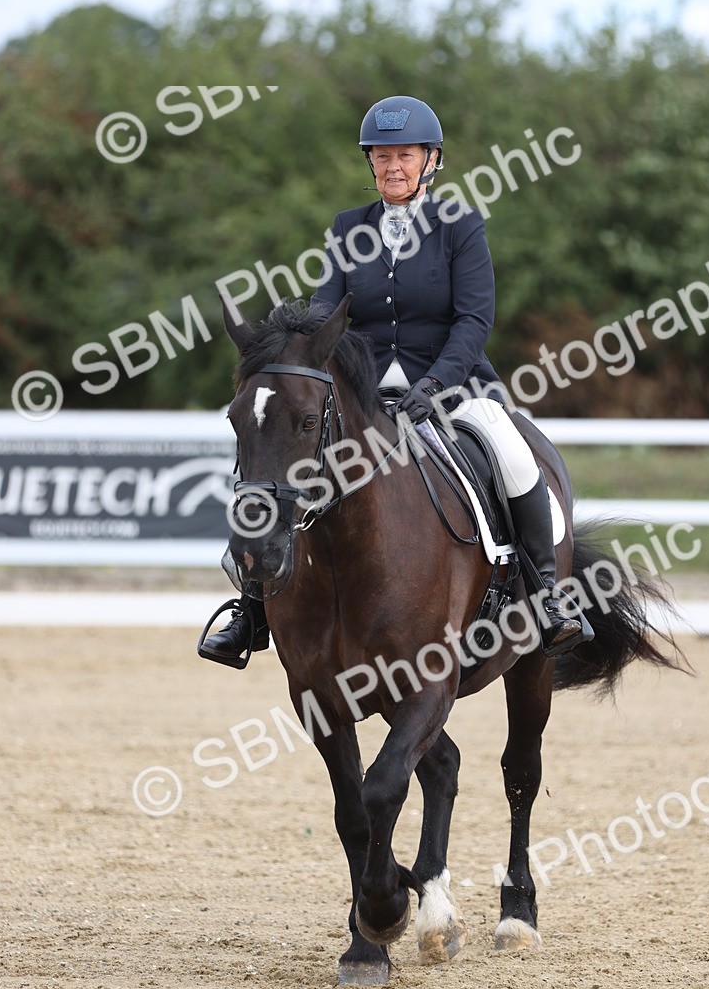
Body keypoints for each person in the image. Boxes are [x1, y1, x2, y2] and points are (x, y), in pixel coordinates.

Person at [199, 95, 587, 668]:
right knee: (291, 469)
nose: (393, 167)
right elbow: (325, 315)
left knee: (514, 456)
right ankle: (252, 608)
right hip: (364, 392)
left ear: (431, 160)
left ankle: (547, 595)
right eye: (382, 157)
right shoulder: (347, 228)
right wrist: (292, 343)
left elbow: (474, 320)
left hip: (452, 387)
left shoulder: (459, 226)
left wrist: (435, 385)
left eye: (405, 155)